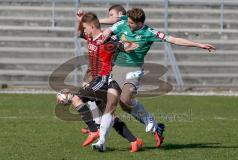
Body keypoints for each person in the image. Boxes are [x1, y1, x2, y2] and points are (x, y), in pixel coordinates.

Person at [96, 6, 215, 148]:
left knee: (126, 99)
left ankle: (151, 122)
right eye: (128, 21)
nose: (128, 24)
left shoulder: (149, 32)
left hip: (133, 69)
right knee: (112, 104)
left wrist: (199, 45)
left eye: (131, 23)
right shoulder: (123, 23)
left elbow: (174, 39)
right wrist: (106, 33)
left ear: (140, 23)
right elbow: (111, 28)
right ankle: (101, 142)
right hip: (116, 69)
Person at [72, 11, 142, 152]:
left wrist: (128, 44)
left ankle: (93, 130)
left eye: (85, 27)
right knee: (108, 116)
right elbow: (78, 33)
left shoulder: (108, 39)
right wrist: (80, 21)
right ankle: (134, 140)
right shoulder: (90, 37)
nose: (84, 30)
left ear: (92, 26)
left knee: (76, 98)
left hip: (103, 79)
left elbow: (129, 46)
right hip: (96, 80)